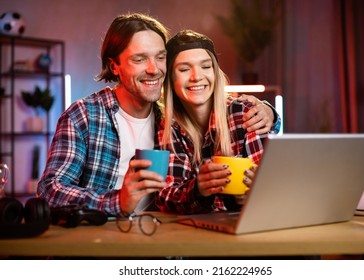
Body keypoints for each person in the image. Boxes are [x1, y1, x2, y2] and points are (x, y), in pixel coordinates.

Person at [37, 13, 280, 217]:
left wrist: (270, 113)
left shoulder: (171, 121)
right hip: (99, 243)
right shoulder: (85, 116)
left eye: (160, 57)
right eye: (139, 59)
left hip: (160, 243)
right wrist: (116, 201)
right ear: (114, 66)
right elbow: (49, 191)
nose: (154, 69)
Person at [156, 30, 272, 214]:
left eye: (206, 66)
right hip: (195, 232)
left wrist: (249, 194)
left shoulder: (244, 114)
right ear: (170, 79)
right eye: (184, 69)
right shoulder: (169, 127)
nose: (196, 76)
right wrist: (197, 190)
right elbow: (165, 197)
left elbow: (269, 186)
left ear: (215, 72)